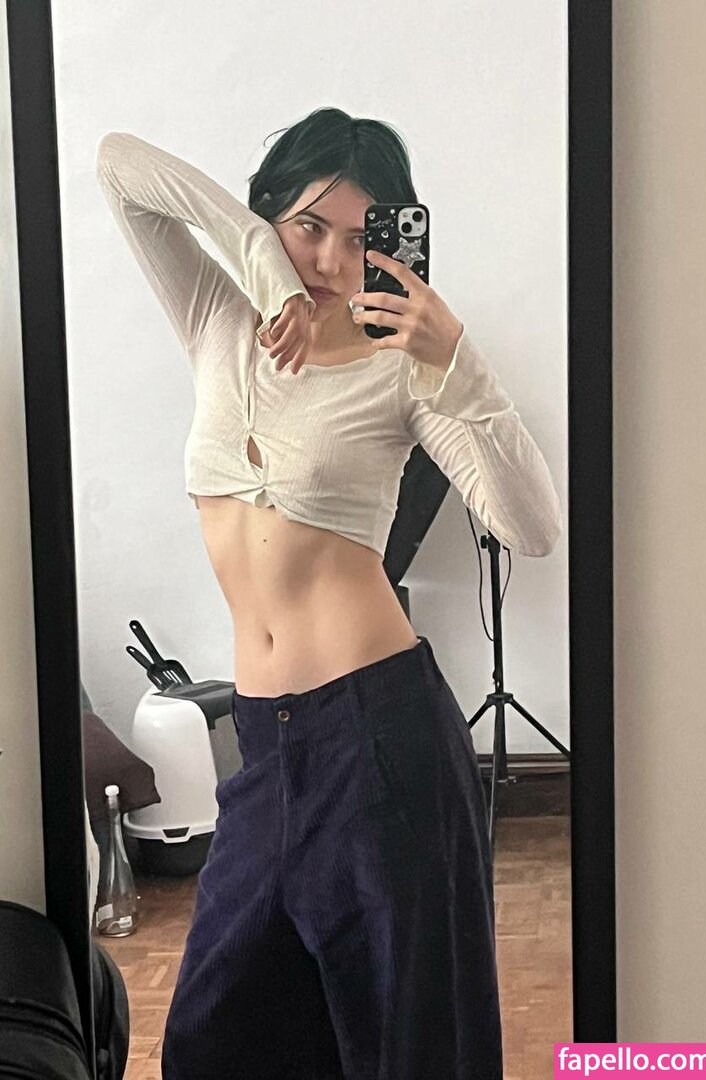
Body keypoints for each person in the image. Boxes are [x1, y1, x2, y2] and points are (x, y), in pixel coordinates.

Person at [96, 107, 562, 1080]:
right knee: (215, 1041)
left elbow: (530, 527)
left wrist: (458, 362)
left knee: (405, 1043)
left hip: (378, 739)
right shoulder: (217, 319)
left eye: (359, 237)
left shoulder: (405, 367)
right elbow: (120, 166)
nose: (330, 260)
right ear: (266, 215)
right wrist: (264, 272)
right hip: (264, 745)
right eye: (309, 226)